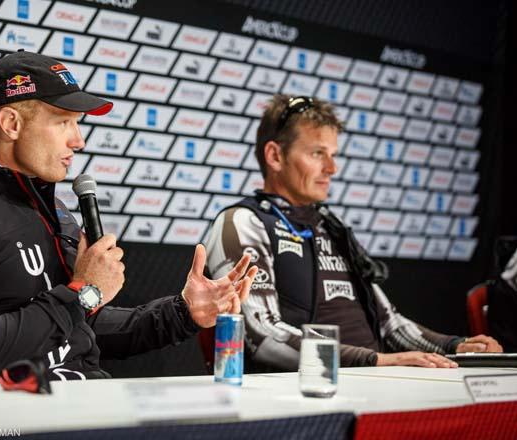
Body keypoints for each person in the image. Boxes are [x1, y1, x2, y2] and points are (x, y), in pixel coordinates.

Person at [0, 51, 257, 383]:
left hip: (83, 407)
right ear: (11, 123)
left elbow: (79, 327)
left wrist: (183, 312)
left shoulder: (53, 211)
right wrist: (81, 293)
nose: (79, 140)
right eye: (64, 122)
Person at [204, 94, 502, 372]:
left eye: (333, 154)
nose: (332, 168)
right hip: (307, 394)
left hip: (372, 382)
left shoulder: (331, 229)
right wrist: (375, 361)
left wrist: (457, 346)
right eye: (318, 153)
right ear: (275, 156)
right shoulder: (243, 222)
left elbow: (390, 325)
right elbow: (261, 333)